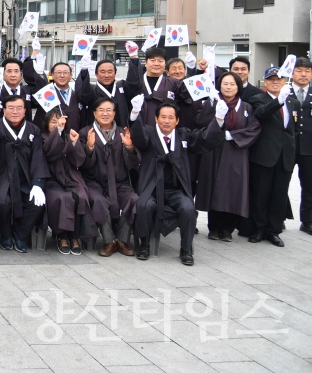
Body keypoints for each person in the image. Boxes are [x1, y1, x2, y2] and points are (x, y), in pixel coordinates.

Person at [128, 96, 224, 265]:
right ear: (156, 118)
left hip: (175, 189)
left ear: (177, 120)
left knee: (188, 208)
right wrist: (135, 113)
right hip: (151, 187)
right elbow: (138, 137)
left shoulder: (184, 135)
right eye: (163, 117)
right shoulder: (149, 133)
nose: (167, 121)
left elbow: (204, 139)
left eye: (171, 117)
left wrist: (219, 119)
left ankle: (185, 249)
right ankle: (144, 244)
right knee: (144, 205)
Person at [194, 72, 260, 242]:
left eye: (232, 84)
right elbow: (201, 122)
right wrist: (212, 109)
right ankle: (214, 227)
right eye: (225, 84)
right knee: (214, 186)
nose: (228, 87)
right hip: (214, 150)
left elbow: (254, 128)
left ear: (238, 87)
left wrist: (233, 136)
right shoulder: (214, 102)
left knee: (232, 189)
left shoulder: (246, 108)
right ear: (219, 86)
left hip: (236, 152)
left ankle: (228, 228)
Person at [0, 95, 48, 252]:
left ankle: (21, 235)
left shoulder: (33, 130)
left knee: (37, 203)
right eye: (11, 108)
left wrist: (37, 183)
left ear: (25, 111)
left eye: (19, 108)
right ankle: (5, 234)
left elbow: (38, 157)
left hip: (25, 179)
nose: (15, 111)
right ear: (4, 110)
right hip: (0, 177)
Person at [245, 67, 296, 247]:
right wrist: (279, 101)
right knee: (261, 194)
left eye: (279, 79)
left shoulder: (293, 100)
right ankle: (259, 228)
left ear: (284, 81)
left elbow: (293, 130)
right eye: (271, 79)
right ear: (265, 82)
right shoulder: (258, 98)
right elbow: (261, 113)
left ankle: (274, 230)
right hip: (264, 155)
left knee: (279, 195)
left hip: (285, 156)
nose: (275, 82)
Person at [82, 97, 139, 257]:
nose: (105, 113)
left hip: (120, 182)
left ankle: (122, 240)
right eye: (101, 110)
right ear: (94, 113)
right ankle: (109, 241)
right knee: (98, 200)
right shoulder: (86, 132)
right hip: (94, 182)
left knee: (133, 199)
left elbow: (134, 163)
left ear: (114, 113)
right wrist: (89, 147)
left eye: (109, 110)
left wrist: (129, 146)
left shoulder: (122, 133)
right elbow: (81, 163)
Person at [41, 111, 98, 255]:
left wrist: (74, 143)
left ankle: (75, 236)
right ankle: (62, 236)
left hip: (71, 178)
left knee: (80, 197)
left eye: (59, 121)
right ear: (47, 124)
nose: (57, 124)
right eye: (53, 121)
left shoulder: (69, 137)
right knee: (63, 198)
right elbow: (50, 153)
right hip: (52, 179)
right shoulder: (43, 138)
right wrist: (58, 131)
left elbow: (78, 160)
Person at [288, 57, 312, 237]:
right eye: (299, 70)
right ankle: (278, 218)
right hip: (287, 147)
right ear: (292, 73)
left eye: (307, 71)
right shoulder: (284, 91)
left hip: (311, 148)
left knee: (309, 187)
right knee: (281, 185)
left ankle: (307, 222)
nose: (303, 74)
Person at [124, 46, 191, 127]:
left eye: (160, 61)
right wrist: (134, 57)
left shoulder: (173, 83)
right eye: (152, 60)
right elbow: (129, 86)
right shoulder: (137, 83)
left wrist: (192, 69)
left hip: (165, 132)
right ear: (146, 62)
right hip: (140, 132)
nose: (156, 63)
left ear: (165, 63)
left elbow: (191, 93)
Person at [32, 62, 89, 133]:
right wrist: (40, 75)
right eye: (58, 72)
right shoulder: (46, 94)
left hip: (73, 140)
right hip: (50, 140)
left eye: (65, 72)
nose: (62, 76)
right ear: (52, 75)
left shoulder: (77, 95)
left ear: (71, 75)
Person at [0, 57, 35, 122]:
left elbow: (39, 101)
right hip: (1, 130)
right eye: (9, 71)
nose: (13, 75)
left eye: (16, 71)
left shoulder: (27, 91)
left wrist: (40, 74)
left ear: (21, 74)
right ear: (3, 74)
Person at [78, 59, 129, 129]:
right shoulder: (91, 90)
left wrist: (134, 57)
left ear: (115, 73)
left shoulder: (122, 87)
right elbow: (83, 94)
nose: (106, 75)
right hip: (96, 136)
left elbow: (133, 84)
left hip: (121, 133)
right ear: (96, 74)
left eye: (110, 72)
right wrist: (84, 71)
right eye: (103, 72)